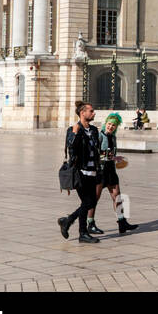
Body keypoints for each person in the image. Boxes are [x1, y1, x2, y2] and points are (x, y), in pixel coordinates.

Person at [58, 102, 103, 243]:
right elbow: (71, 149)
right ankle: (80, 231)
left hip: (92, 171)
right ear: (82, 113)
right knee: (88, 202)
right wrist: (76, 134)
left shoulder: (94, 130)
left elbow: (96, 150)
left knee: (89, 202)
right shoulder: (73, 129)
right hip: (80, 172)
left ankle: (69, 222)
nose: (93, 113)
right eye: (91, 111)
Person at [98, 113, 138, 235]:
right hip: (101, 170)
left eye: (113, 125)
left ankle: (122, 222)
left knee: (118, 197)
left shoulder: (113, 138)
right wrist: (106, 156)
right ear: (105, 124)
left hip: (111, 170)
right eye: (109, 124)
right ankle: (88, 222)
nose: (110, 127)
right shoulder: (99, 136)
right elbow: (95, 153)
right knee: (94, 199)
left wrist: (116, 158)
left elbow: (111, 154)